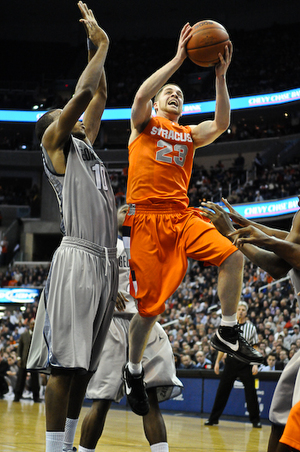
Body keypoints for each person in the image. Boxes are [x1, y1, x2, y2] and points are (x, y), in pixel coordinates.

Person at [121, 22, 263, 417]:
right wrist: (178, 60)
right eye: (170, 92)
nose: (176, 95)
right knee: (150, 311)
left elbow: (220, 124)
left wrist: (221, 78)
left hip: (181, 216)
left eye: (180, 94)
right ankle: (133, 369)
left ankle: (228, 328)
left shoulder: (188, 133)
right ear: (157, 101)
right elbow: (139, 95)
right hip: (147, 222)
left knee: (233, 256)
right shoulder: (143, 125)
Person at [26, 4, 118, 452]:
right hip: (77, 257)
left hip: (104, 264)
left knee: (84, 369)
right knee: (63, 367)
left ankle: (74, 448)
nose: (80, 119)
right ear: (56, 129)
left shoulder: (87, 149)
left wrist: (92, 40)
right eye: (67, 118)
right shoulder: (54, 146)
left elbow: (98, 96)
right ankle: (52, 449)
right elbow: (82, 96)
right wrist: (102, 47)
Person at [62, 204, 182, 452]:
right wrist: (107, 292)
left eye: (131, 208)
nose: (127, 210)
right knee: (103, 401)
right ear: (110, 218)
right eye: (122, 209)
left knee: (145, 401)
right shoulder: (106, 245)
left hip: (142, 323)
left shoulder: (149, 243)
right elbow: (84, 284)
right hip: (116, 323)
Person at [198, 196, 300, 452]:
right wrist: (245, 224)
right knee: (279, 419)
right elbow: (288, 238)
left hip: (245, 361)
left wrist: (234, 233)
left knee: (292, 432)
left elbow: (279, 264)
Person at [204, 301, 262, 428]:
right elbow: (222, 347)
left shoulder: (251, 328)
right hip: (230, 362)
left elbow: (255, 347)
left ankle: (255, 420)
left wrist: (255, 364)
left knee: (251, 392)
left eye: (243, 309)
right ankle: (213, 419)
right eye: (239, 309)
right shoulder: (229, 327)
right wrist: (217, 363)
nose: (241, 311)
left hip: (245, 363)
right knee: (222, 391)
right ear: (236, 312)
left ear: (246, 312)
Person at [14, 318, 40, 402]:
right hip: (24, 360)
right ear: (29, 325)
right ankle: (17, 396)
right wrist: (18, 358)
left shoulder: (38, 336)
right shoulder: (23, 335)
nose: (33, 325)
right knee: (20, 379)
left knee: (35, 380)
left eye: (34, 324)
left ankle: (36, 397)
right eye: (32, 324)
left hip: (34, 361)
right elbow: (19, 349)